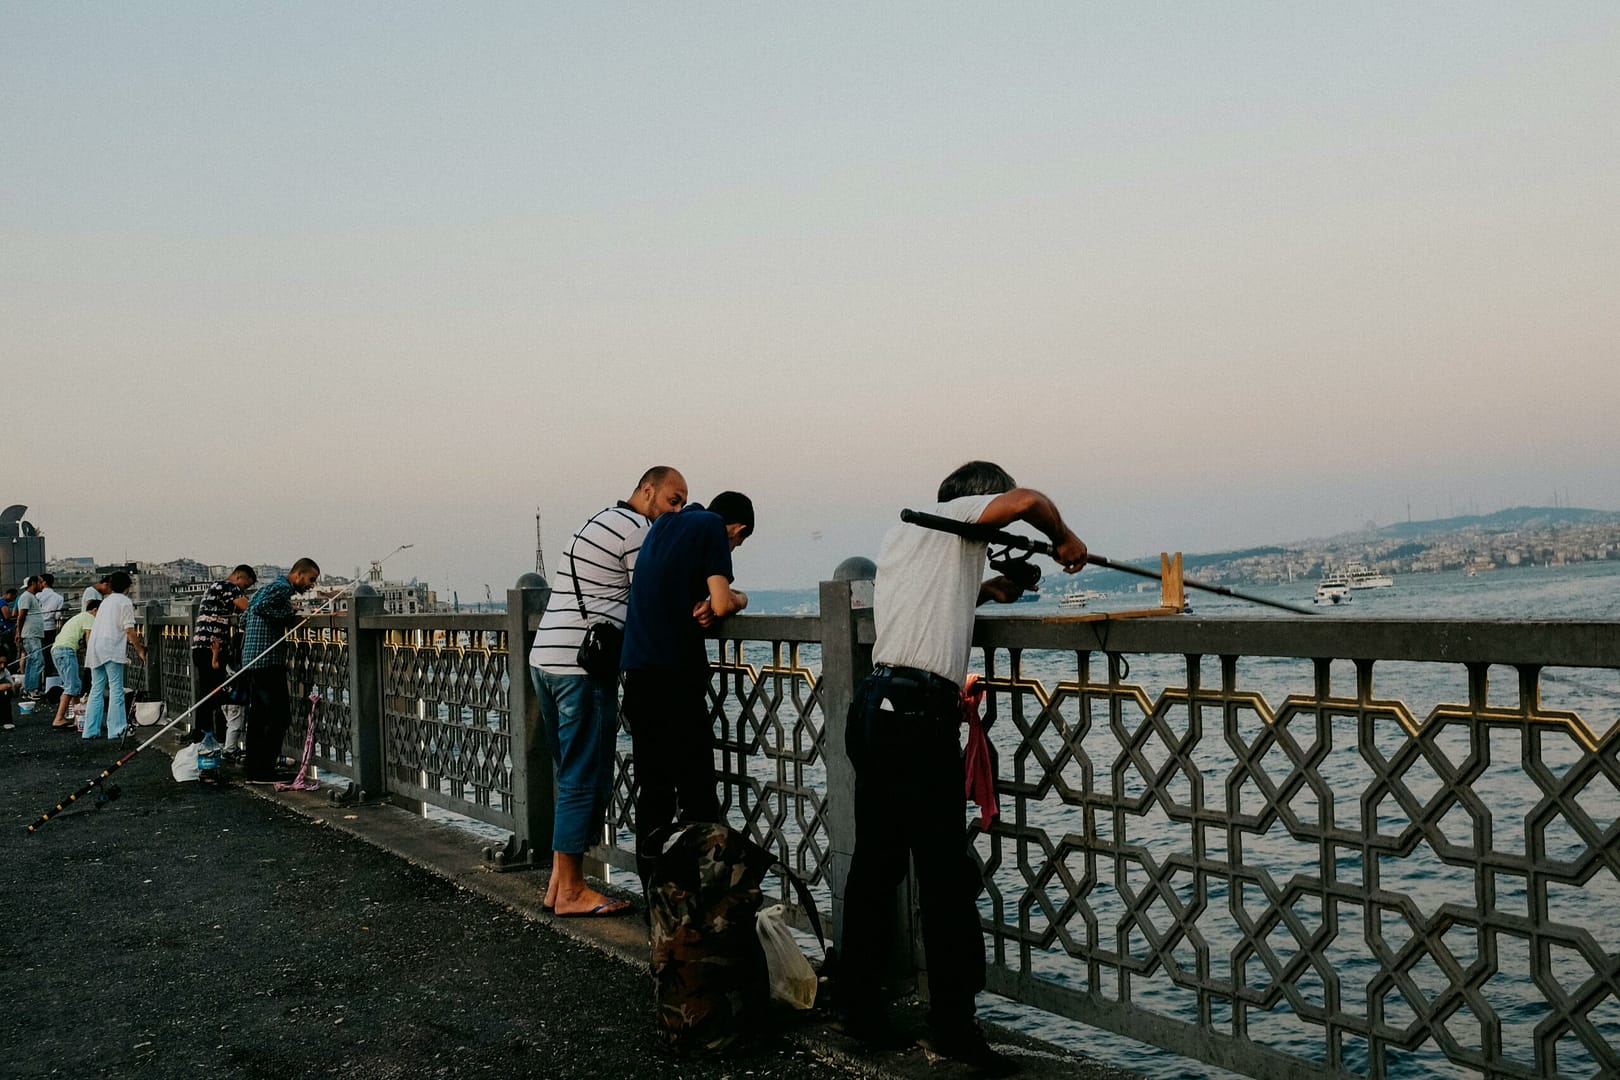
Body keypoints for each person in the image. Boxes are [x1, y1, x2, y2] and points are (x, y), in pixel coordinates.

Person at [837, 461, 1087, 1076]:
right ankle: (953, 1028)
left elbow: (929, 602)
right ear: (978, 503)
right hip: (916, 716)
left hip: (876, 706)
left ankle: (858, 1010)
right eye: (993, 511)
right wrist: (1065, 539)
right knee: (946, 882)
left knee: (875, 869)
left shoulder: (909, 536)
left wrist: (988, 590)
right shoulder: (953, 514)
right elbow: (1029, 499)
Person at [528, 466, 688, 917]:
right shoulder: (638, 530)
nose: (676, 510)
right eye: (673, 500)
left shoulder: (593, 522)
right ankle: (574, 891)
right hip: (582, 670)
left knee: (568, 775)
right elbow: (657, 594)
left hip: (545, 659)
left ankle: (559, 885)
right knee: (584, 775)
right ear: (647, 490)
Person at [619, 490, 754, 887]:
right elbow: (724, 602)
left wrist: (703, 601)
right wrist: (737, 598)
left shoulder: (664, 525)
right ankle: (698, 904)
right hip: (675, 677)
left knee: (654, 793)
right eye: (737, 544)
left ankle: (655, 898)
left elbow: (674, 588)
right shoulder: (713, 526)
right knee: (697, 794)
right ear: (738, 529)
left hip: (638, 676)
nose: (731, 549)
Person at [240, 558, 320, 782]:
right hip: (266, 661)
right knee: (279, 716)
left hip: (253, 659)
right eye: (311, 579)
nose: (312, 585)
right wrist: (288, 615)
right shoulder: (282, 588)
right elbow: (260, 608)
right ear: (298, 574)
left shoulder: (268, 587)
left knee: (258, 716)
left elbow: (245, 617)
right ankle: (263, 769)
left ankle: (253, 769)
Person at [190, 565, 257, 742]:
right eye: (245, 586)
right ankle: (211, 735)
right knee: (215, 692)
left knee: (207, 690)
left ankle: (204, 733)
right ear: (239, 577)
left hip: (200, 646)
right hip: (213, 648)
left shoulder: (215, 587)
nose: (244, 590)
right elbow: (248, 609)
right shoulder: (229, 587)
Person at [82, 571, 146, 740]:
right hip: (110, 647)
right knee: (116, 688)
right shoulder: (124, 602)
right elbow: (129, 630)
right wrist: (140, 650)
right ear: (127, 586)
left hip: (95, 646)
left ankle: (90, 730)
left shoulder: (105, 602)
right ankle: (117, 729)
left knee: (96, 688)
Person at [50, 598, 97, 729]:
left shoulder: (79, 616)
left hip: (58, 650)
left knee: (74, 685)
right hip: (66, 651)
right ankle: (58, 718)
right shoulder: (90, 617)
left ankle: (78, 719)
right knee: (71, 686)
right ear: (95, 610)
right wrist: (91, 654)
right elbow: (89, 637)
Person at [14, 576, 45, 697]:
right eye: (40, 582)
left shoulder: (32, 597)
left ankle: (28, 689)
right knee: (38, 660)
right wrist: (18, 633)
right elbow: (20, 617)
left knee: (32, 661)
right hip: (30, 634)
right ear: (33, 583)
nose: (43, 585)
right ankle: (32, 689)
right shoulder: (26, 596)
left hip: (33, 634)